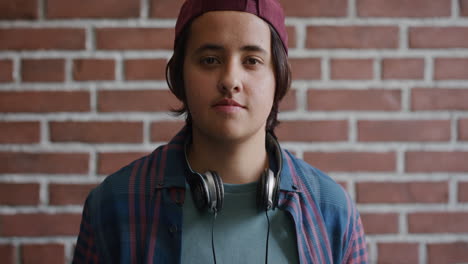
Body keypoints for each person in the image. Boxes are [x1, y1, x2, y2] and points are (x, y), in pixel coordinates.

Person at [72, 0, 368, 263]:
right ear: (179, 76)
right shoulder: (114, 204)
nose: (230, 80)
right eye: (210, 60)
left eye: (252, 61)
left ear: (278, 77)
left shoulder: (331, 210)